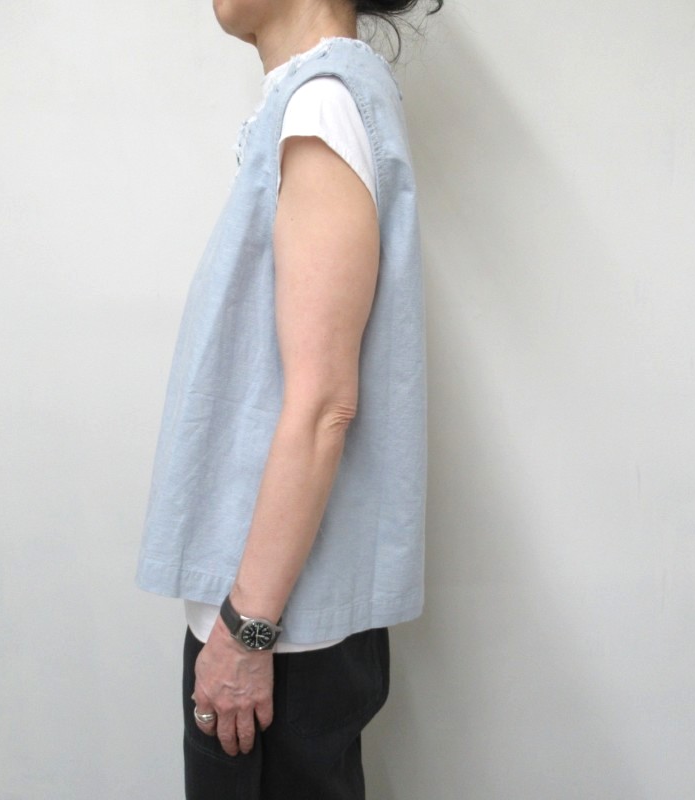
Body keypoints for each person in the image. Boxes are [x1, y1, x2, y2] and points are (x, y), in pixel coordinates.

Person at [136, 0, 442, 797]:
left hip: (275, 633)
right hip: (277, 620)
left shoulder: (321, 106)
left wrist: (244, 634)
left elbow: (322, 404)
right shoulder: (316, 102)